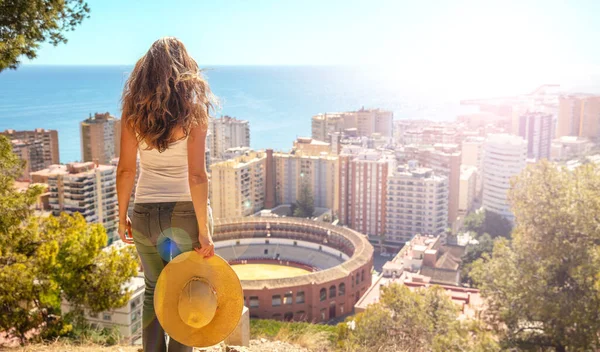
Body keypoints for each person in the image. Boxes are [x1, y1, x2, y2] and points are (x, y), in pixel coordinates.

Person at [116, 37, 216, 352]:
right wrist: (204, 230)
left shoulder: (133, 113)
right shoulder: (194, 113)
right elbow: (198, 176)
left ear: (145, 72)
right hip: (185, 214)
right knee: (186, 291)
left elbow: (125, 171)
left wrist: (121, 218)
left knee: (153, 290)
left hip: (145, 214)